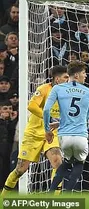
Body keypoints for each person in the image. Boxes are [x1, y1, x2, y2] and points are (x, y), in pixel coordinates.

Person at [2, 66, 68, 196]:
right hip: (34, 133)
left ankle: (56, 199)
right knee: (21, 169)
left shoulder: (67, 93)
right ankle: (3, 196)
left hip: (51, 132)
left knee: (57, 162)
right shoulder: (43, 89)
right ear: (57, 78)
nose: (68, 79)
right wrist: (48, 117)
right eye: (65, 77)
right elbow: (31, 106)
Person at [44, 61, 89, 193]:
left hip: (64, 136)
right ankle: (66, 196)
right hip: (81, 136)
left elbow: (46, 110)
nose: (86, 76)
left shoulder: (58, 88)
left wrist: (47, 130)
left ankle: (50, 194)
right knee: (79, 163)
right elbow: (85, 118)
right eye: (84, 73)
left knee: (66, 163)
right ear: (77, 75)